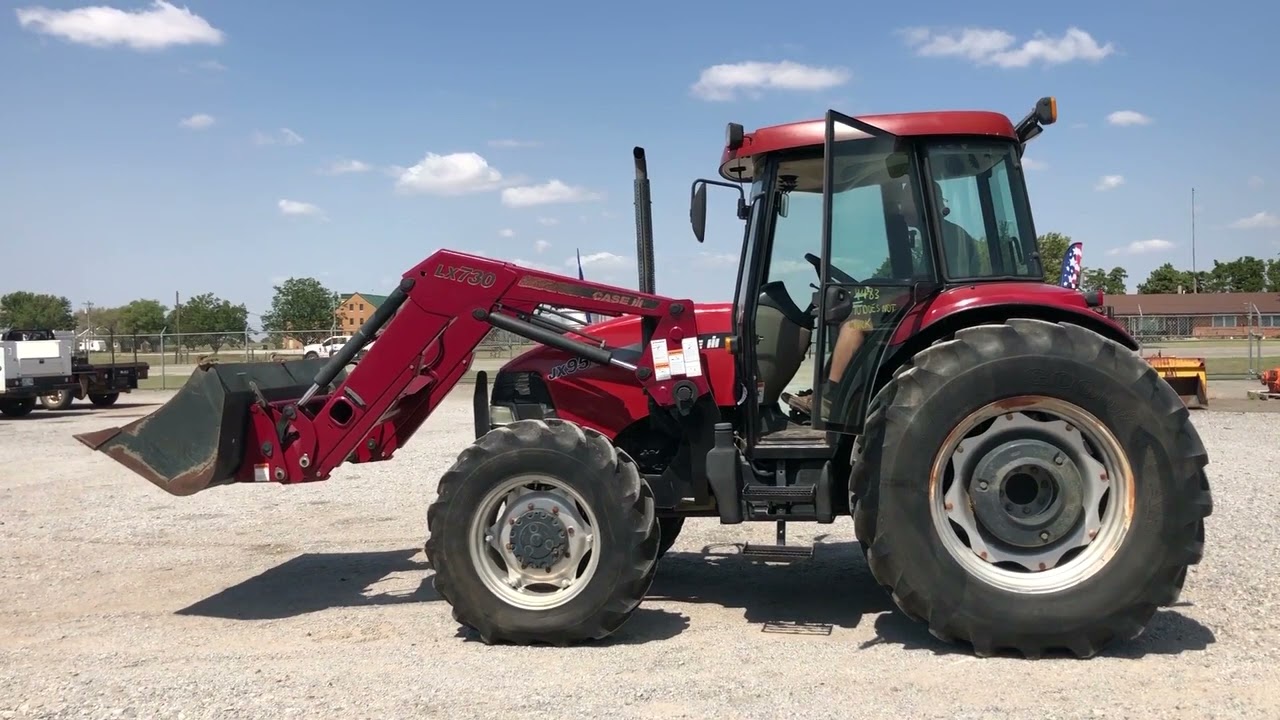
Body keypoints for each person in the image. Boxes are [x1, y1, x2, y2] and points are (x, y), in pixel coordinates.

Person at [788, 179, 984, 417]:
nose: (900, 207)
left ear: (922, 202)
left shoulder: (947, 237)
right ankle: (832, 392)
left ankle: (830, 400)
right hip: (923, 306)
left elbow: (932, 286)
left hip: (931, 310)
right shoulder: (938, 236)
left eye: (904, 201)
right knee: (854, 317)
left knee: (853, 326)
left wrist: (884, 299)